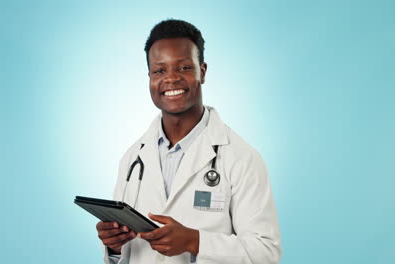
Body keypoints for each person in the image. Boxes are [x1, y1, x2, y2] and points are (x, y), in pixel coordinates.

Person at [95, 19, 281, 264]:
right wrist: (115, 247)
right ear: (149, 77)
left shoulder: (241, 158)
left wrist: (194, 241)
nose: (171, 79)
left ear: (202, 72)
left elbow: (266, 253)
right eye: (159, 71)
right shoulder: (133, 158)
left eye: (183, 68)